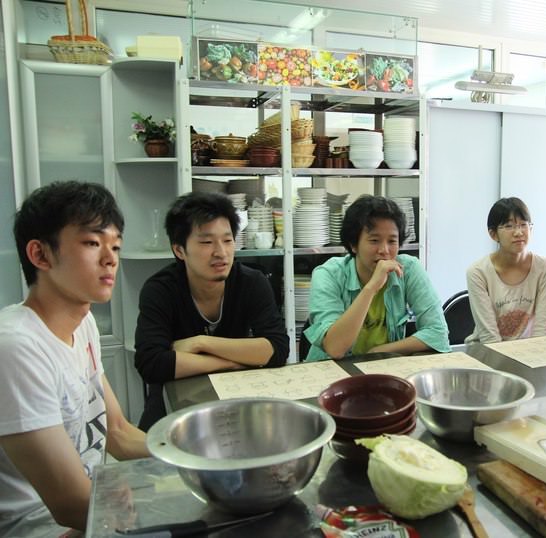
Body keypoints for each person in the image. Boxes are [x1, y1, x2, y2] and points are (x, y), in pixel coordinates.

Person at [0, 181, 148, 536]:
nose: (110, 258)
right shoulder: (16, 347)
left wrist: (201, 458)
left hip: (95, 505)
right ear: (40, 255)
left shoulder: (83, 325)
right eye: (92, 243)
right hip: (43, 526)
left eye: (115, 245)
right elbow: (71, 504)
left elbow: (118, 432)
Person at [135, 192, 289, 430]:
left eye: (227, 240)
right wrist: (231, 362)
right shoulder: (160, 289)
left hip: (235, 398)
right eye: (206, 242)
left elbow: (277, 349)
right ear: (179, 250)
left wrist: (200, 343)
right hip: (175, 404)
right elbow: (151, 363)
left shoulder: (251, 282)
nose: (221, 252)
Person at [304, 195, 449, 360]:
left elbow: (438, 332)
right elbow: (335, 348)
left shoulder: (408, 269)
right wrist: (371, 287)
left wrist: (379, 352)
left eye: (392, 241)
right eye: (374, 240)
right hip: (332, 370)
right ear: (353, 244)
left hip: (384, 366)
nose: (384, 250)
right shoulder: (328, 274)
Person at [465, 197, 546, 343]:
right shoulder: (478, 272)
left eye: (523, 225)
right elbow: (489, 337)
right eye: (509, 226)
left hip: (529, 350)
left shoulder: (545, 269)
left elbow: (543, 331)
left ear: (531, 229)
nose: (518, 232)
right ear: (493, 234)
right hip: (486, 350)